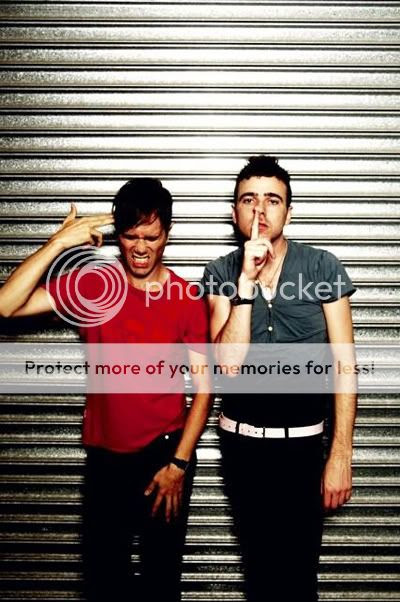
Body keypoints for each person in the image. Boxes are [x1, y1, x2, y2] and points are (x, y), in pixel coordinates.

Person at [0, 178, 212, 602]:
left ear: (168, 235)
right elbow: (6, 306)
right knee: (103, 581)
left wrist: (178, 465)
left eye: (151, 237)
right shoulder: (94, 285)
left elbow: (204, 391)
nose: (140, 247)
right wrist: (58, 244)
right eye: (131, 236)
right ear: (118, 235)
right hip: (106, 460)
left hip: (163, 456)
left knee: (160, 584)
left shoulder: (186, 297)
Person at [201, 156, 357, 602]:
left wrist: (340, 454)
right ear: (234, 212)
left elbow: (344, 365)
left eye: (272, 200)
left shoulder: (323, 267)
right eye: (248, 200)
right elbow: (227, 366)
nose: (260, 210)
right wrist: (245, 284)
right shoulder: (221, 272)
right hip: (243, 447)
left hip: (304, 448)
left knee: (299, 578)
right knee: (260, 575)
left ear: (289, 211)